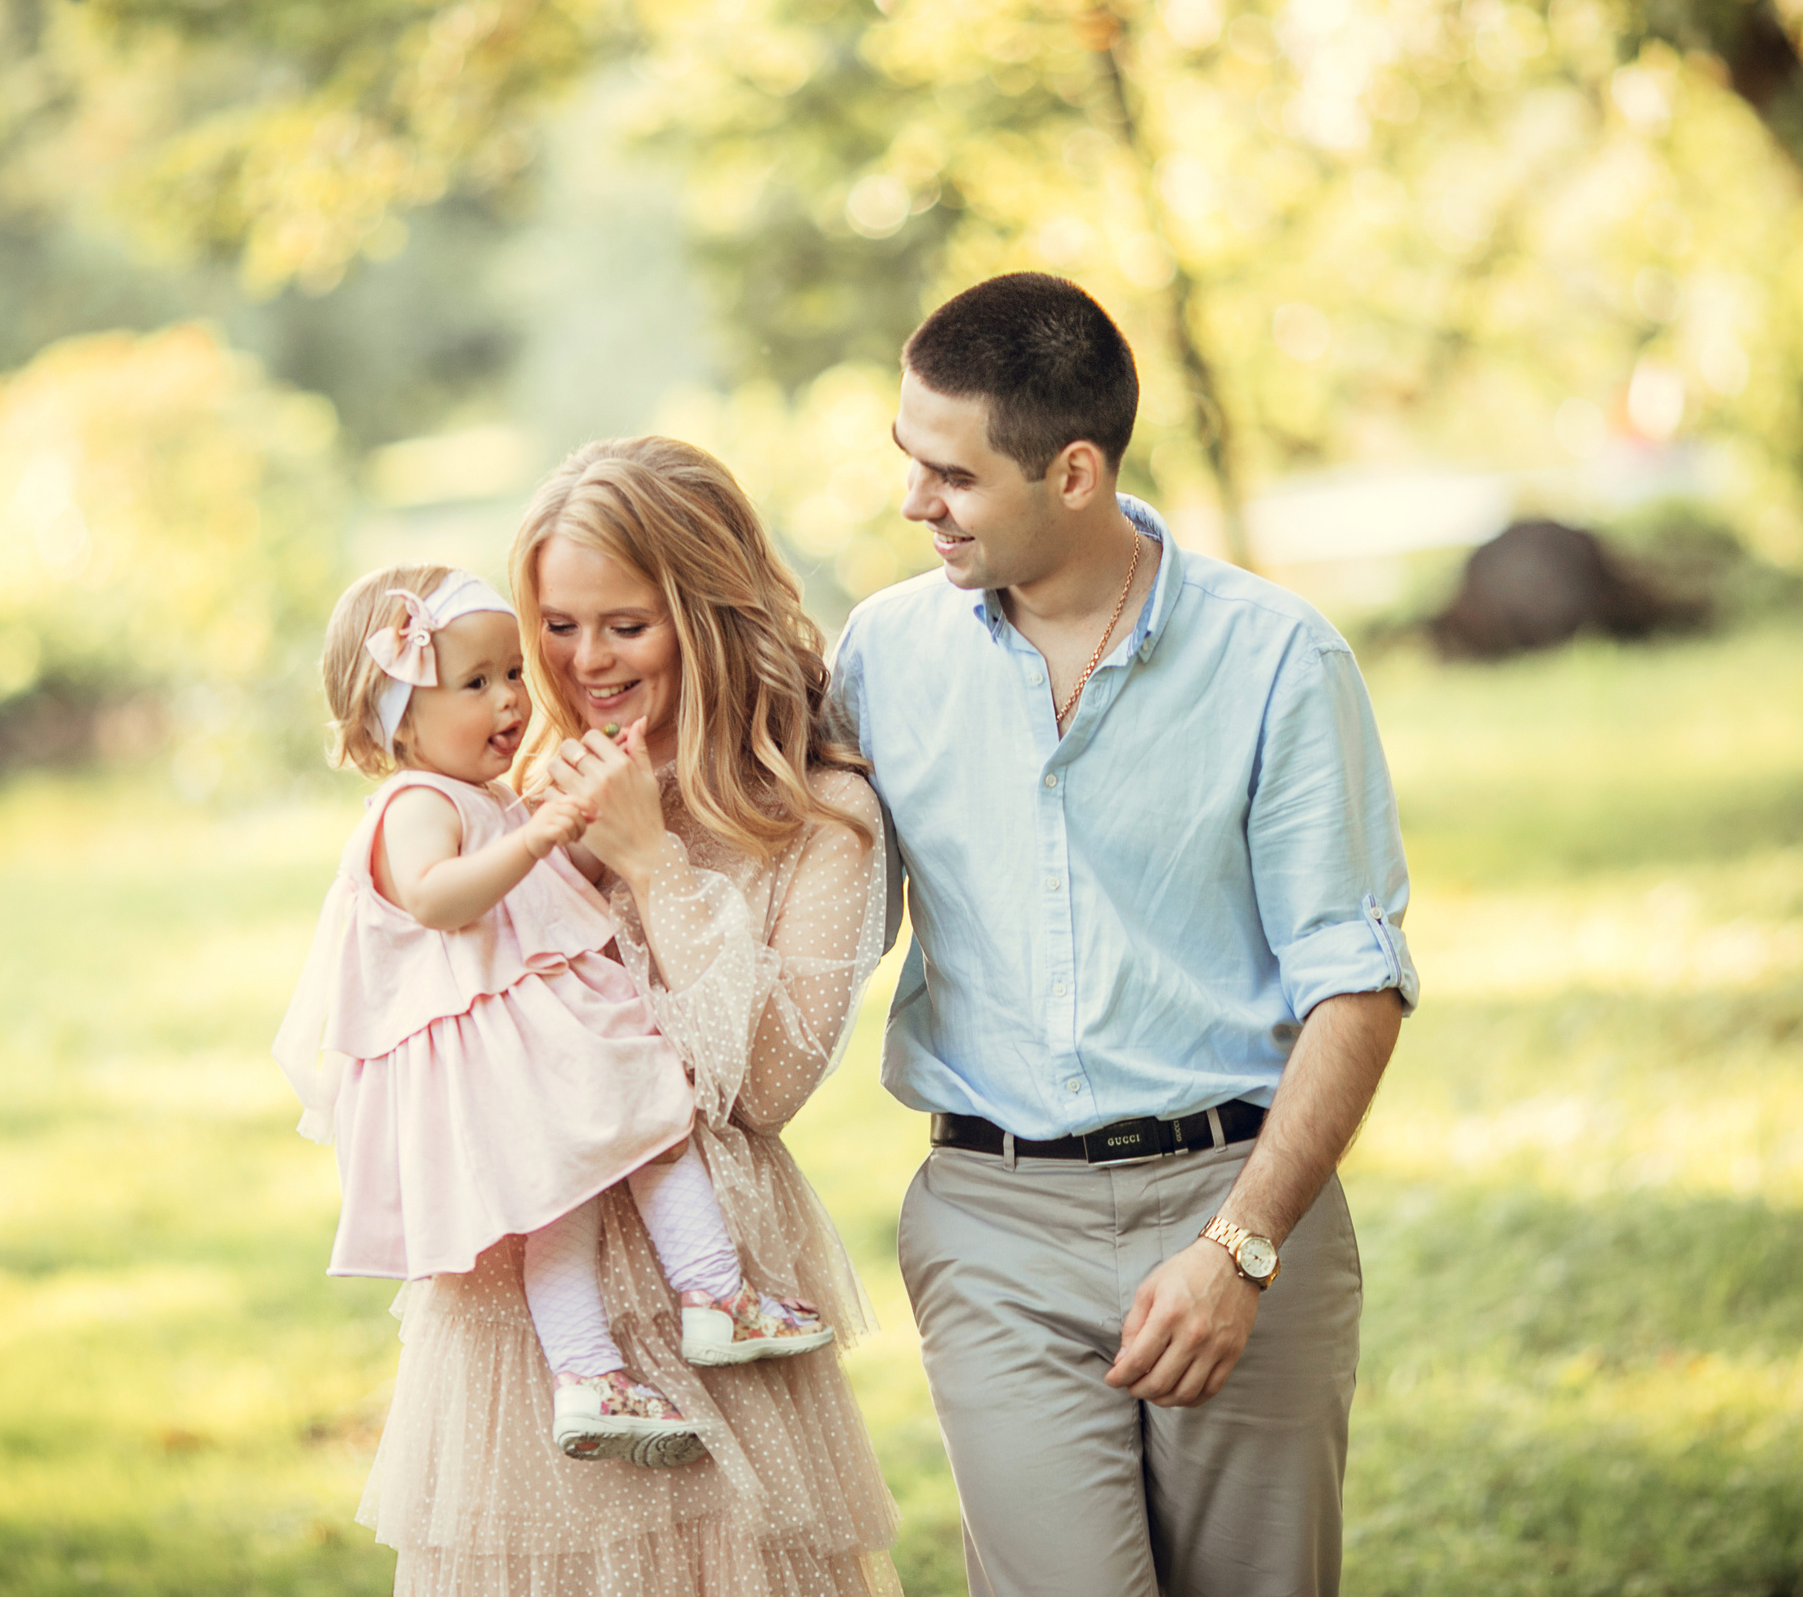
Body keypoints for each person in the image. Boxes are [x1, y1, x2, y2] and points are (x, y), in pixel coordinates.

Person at [834, 272, 1419, 1597]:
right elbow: (810, 910)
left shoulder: (1279, 658)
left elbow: (1355, 982)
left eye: (954, 476)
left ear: (1078, 471)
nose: (915, 501)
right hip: (995, 1222)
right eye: (908, 461)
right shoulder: (882, 653)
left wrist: (1242, 1244)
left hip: (1240, 1199)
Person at [355, 439, 905, 1596]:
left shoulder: (819, 815)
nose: (583, 662)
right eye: (557, 625)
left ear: (703, 615)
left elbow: (761, 1091)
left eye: (624, 625)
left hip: (716, 1292)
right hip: (526, 1306)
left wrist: (655, 865)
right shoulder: (517, 793)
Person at [271, 564, 835, 1472]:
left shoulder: (480, 798)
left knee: (569, 1204)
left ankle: (594, 1372)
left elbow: (535, 888)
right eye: (475, 683)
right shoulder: (414, 804)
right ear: (398, 717)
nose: (510, 701)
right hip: (504, 1059)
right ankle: (711, 1295)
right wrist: (536, 834)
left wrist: (561, 814)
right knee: (653, 1119)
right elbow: (436, 899)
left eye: (510, 675)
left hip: (517, 1053)